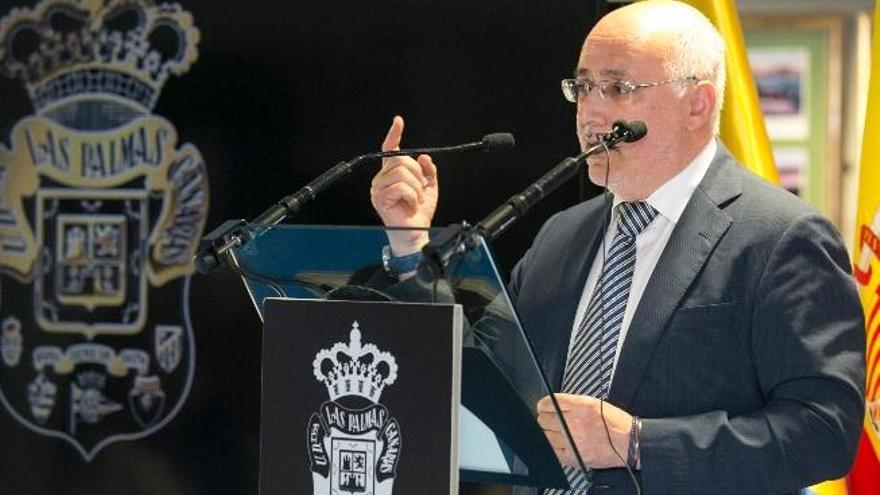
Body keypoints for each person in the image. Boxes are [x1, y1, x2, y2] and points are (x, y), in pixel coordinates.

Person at [368, 1, 865, 494]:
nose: (592, 111)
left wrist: (639, 444)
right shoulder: (561, 235)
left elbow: (823, 433)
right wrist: (412, 242)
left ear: (698, 103)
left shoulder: (782, 237)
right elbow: (484, 378)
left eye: (618, 89)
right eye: (583, 88)